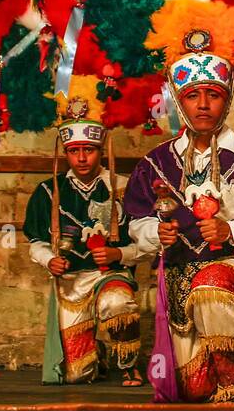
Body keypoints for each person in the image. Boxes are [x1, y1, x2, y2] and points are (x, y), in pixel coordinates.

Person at [123, 8, 234, 404]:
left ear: (227, 99)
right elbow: (134, 221)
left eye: (213, 95)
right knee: (195, 389)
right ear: (179, 102)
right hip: (176, 271)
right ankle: (214, 379)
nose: (203, 104)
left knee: (211, 290)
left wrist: (233, 230)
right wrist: (156, 232)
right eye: (192, 95)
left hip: (231, 268)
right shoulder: (156, 163)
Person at [23, 77, 144, 385]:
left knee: (117, 304)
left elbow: (147, 242)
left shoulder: (123, 187)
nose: (81, 158)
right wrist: (48, 259)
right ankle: (97, 357)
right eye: (74, 151)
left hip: (110, 275)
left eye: (88, 150)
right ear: (66, 152)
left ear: (100, 150)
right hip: (71, 283)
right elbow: (35, 240)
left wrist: (120, 253)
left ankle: (129, 363)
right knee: (77, 376)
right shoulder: (49, 192)